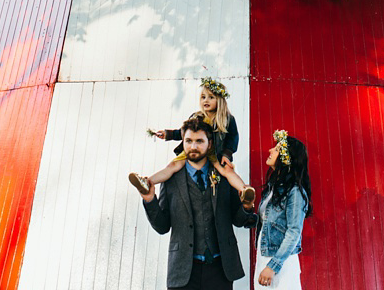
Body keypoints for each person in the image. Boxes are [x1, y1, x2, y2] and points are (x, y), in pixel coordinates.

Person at [140, 115, 257, 290]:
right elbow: (162, 226)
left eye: (199, 141)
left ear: (209, 144)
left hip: (221, 269)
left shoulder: (224, 176)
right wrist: (150, 199)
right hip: (183, 271)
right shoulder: (170, 179)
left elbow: (238, 220)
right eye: (188, 141)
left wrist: (247, 207)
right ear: (183, 143)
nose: (193, 146)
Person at [129, 78, 255, 206]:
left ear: (220, 100)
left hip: (214, 152)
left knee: (227, 170)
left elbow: (233, 138)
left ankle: (244, 190)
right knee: (173, 166)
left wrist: (227, 154)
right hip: (195, 149)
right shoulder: (197, 117)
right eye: (203, 97)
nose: (206, 100)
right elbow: (184, 132)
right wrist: (169, 134)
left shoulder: (226, 119)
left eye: (211, 97)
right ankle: (147, 182)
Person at [255, 130, 312, 289]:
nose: (270, 151)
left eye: (277, 149)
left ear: (286, 158)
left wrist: (273, 266)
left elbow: (294, 231)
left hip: (281, 264)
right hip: (264, 258)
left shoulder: (294, 192)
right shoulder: (272, 189)